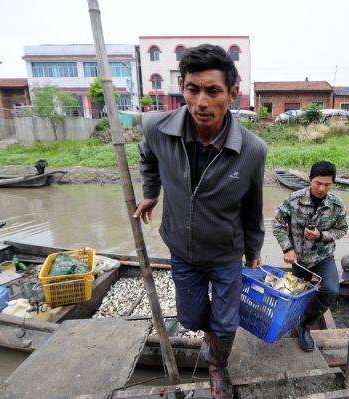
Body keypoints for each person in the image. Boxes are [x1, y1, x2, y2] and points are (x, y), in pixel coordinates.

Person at [133, 44, 267, 399]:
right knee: (192, 319)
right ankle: (208, 336)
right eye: (193, 90)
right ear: (182, 88)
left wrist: (253, 250)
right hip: (182, 247)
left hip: (226, 252)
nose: (201, 102)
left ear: (233, 94)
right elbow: (146, 155)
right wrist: (151, 191)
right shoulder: (156, 127)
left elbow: (253, 206)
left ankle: (218, 366)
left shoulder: (253, 149)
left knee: (226, 324)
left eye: (213, 91)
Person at [272, 161, 348, 352]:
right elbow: (278, 225)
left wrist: (322, 236)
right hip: (298, 258)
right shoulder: (292, 200)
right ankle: (290, 319)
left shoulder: (337, 205)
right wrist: (287, 248)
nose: (322, 188)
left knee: (330, 290)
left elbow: (342, 230)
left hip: (323, 257)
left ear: (333, 183)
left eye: (327, 184)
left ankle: (304, 326)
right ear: (310, 180)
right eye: (318, 183)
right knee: (297, 293)